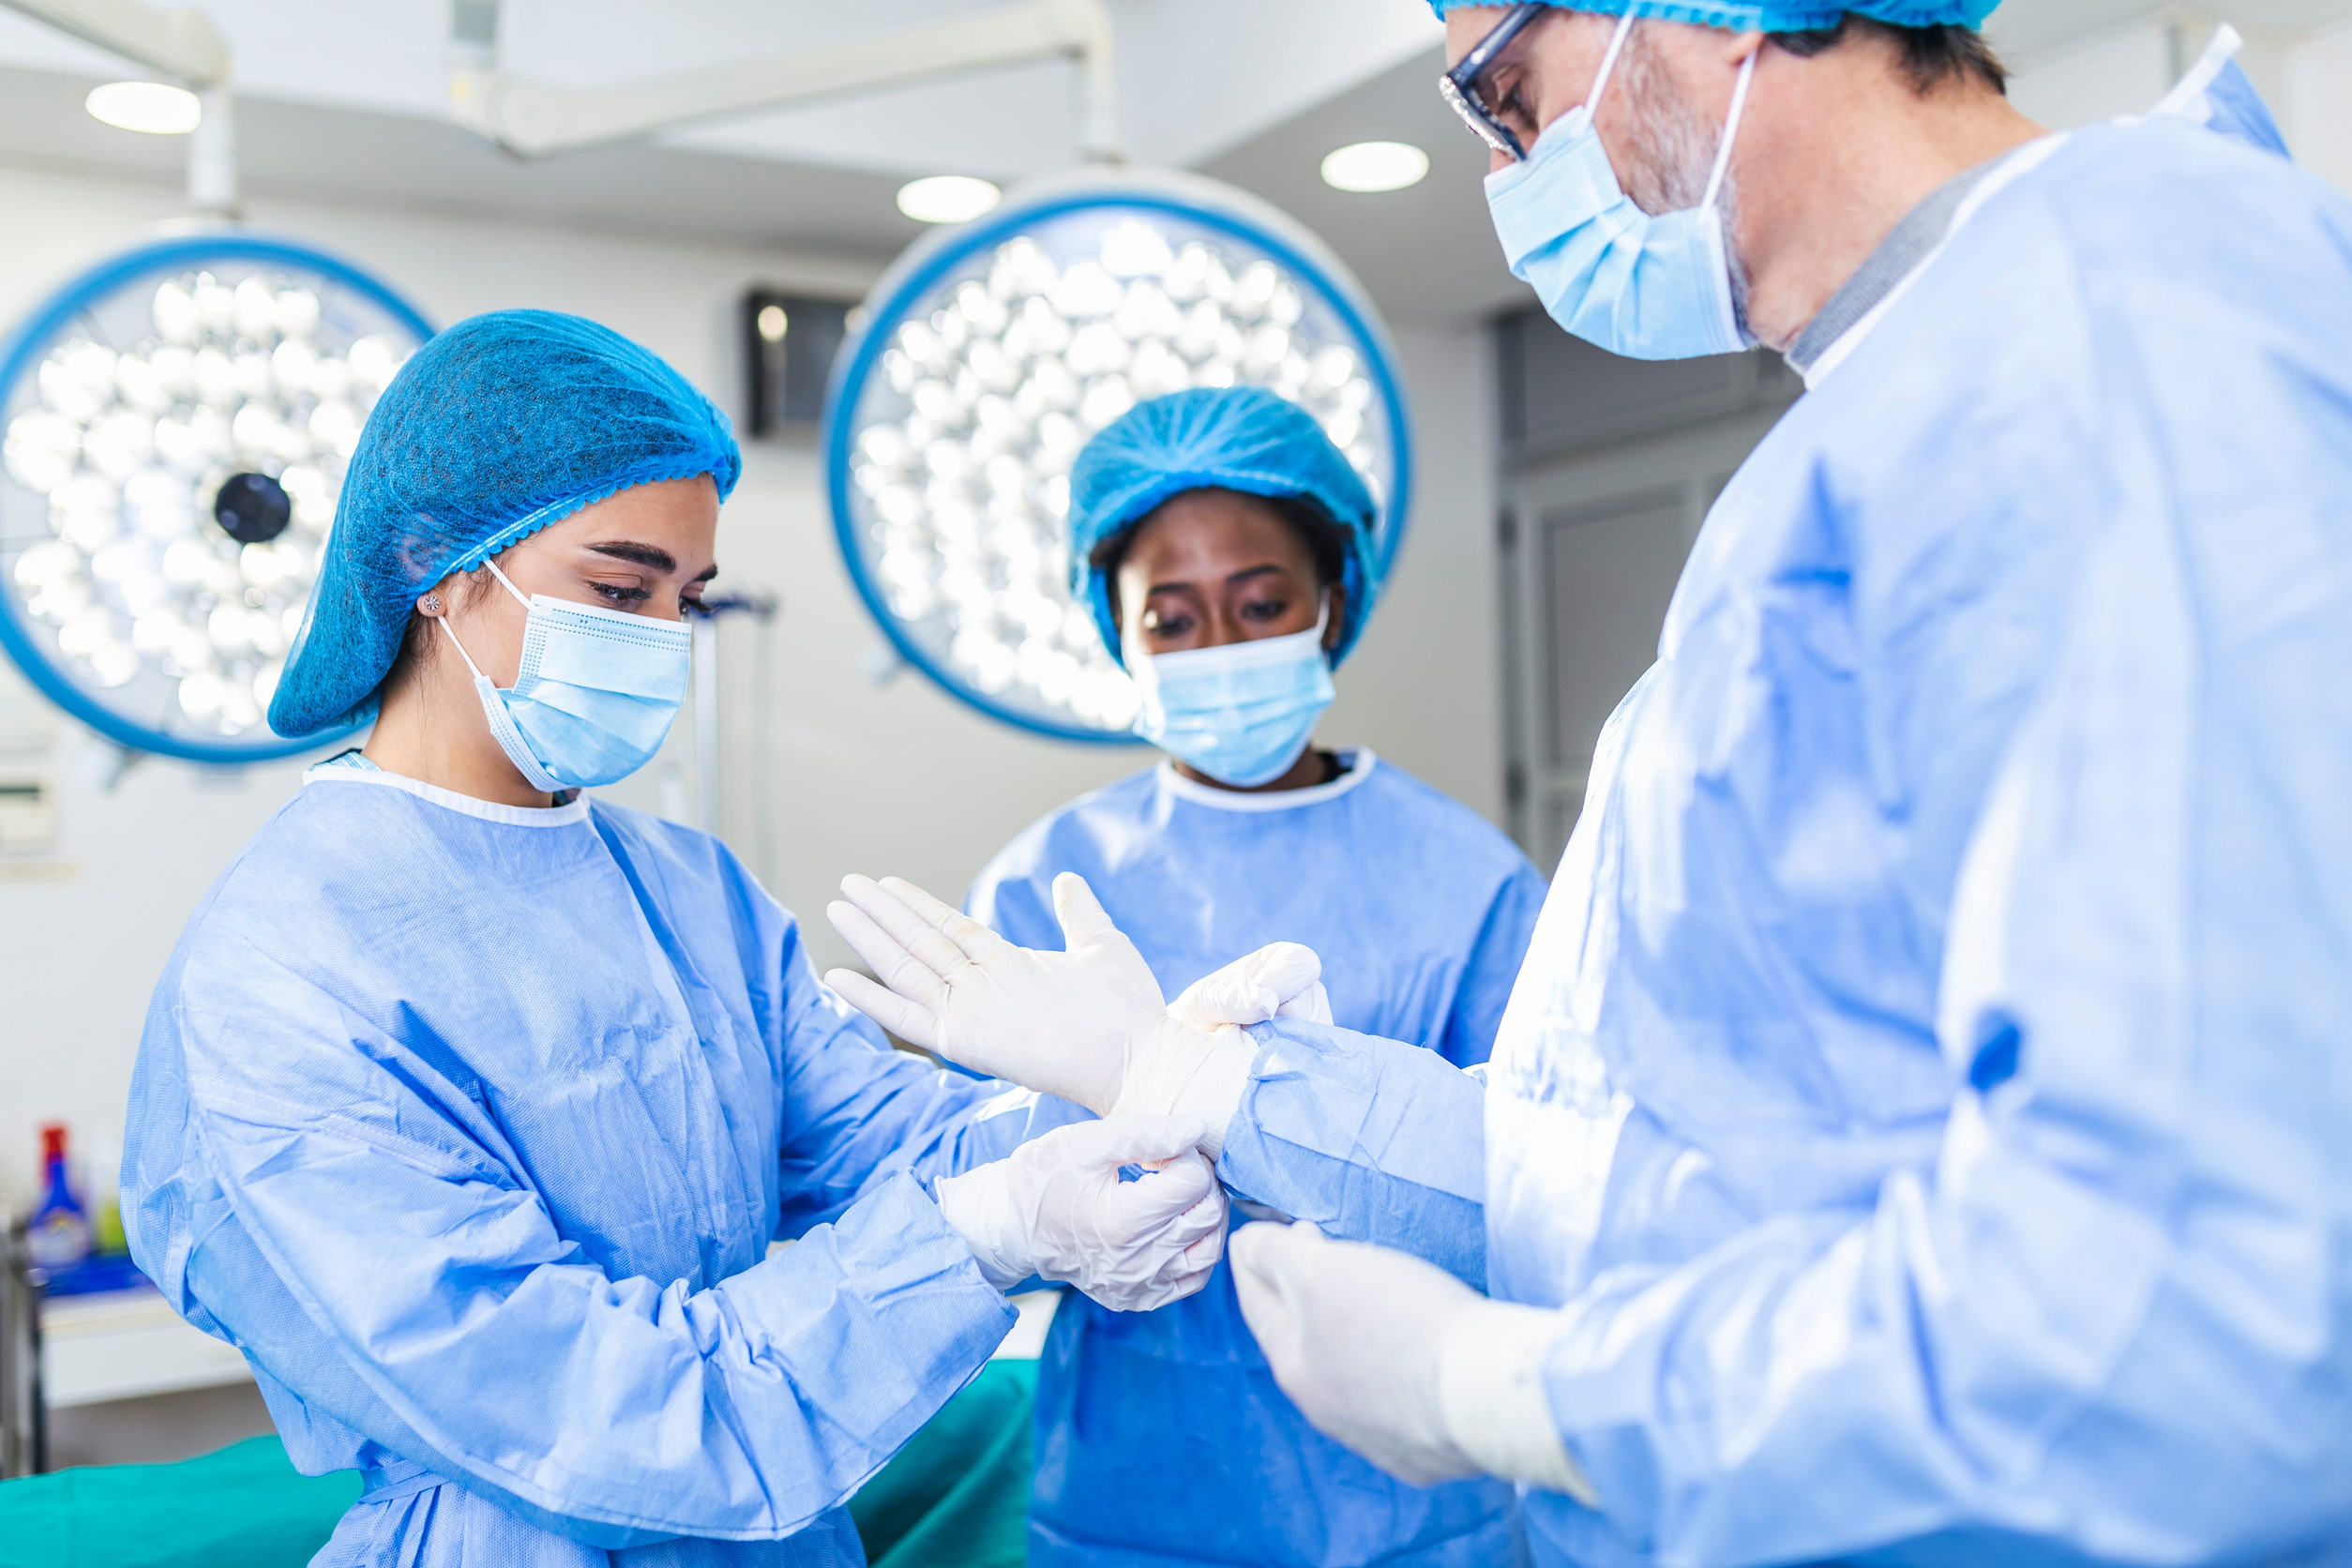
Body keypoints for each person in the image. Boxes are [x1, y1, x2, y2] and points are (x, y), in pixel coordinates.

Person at [821, 8, 2352, 1567]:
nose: (1511, 174)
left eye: (1504, 95)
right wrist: (1200, 1081)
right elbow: (1689, 1163)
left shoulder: (2113, 348)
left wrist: (1515, 1391)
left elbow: (2198, 1309)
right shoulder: (1921, 409)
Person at [119, 309, 1230, 1568]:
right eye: (616, 589)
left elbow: (896, 1152)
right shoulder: (281, 968)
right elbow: (597, 1413)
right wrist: (988, 1231)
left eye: (684, 600)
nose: (657, 637)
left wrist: (1131, 1087)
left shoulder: (690, 893)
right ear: (433, 564)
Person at [962, 387, 1549, 1566]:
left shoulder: (1467, 877)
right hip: (1137, 1496)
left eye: (1262, 602)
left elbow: (1539, 1189)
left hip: (1415, 1500)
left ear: (1333, 599)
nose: (1220, 647)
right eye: (1171, 617)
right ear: (1119, 636)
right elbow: (987, 1192)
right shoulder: (1047, 882)